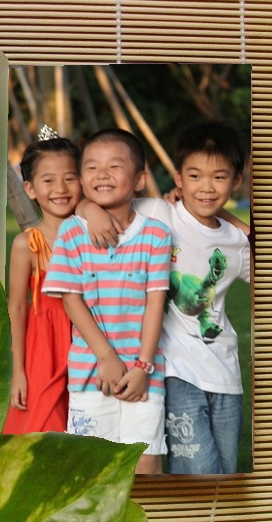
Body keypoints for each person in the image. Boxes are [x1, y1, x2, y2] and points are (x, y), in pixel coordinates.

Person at [76, 120, 251, 474]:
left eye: (219, 177)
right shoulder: (159, 213)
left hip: (226, 372)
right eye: (195, 176)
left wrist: (242, 227)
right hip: (174, 370)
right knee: (199, 475)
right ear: (178, 179)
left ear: (236, 181)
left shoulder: (237, 244)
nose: (206, 187)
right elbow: (101, 202)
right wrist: (89, 210)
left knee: (226, 476)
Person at [42, 128, 172, 474]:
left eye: (114, 166)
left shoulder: (156, 235)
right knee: (90, 465)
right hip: (90, 370)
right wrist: (107, 358)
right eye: (92, 167)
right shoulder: (72, 233)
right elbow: (72, 300)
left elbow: (155, 304)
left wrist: (142, 367)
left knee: (146, 460)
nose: (102, 174)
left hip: (143, 373)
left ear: (139, 179)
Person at [2, 126, 83, 434]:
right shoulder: (27, 244)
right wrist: (19, 372)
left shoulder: (94, 236)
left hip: (87, 341)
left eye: (70, 178)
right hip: (44, 348)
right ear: (30, 188)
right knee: (45, 429)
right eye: (48, 180)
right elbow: (16, 308)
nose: (60, 188)